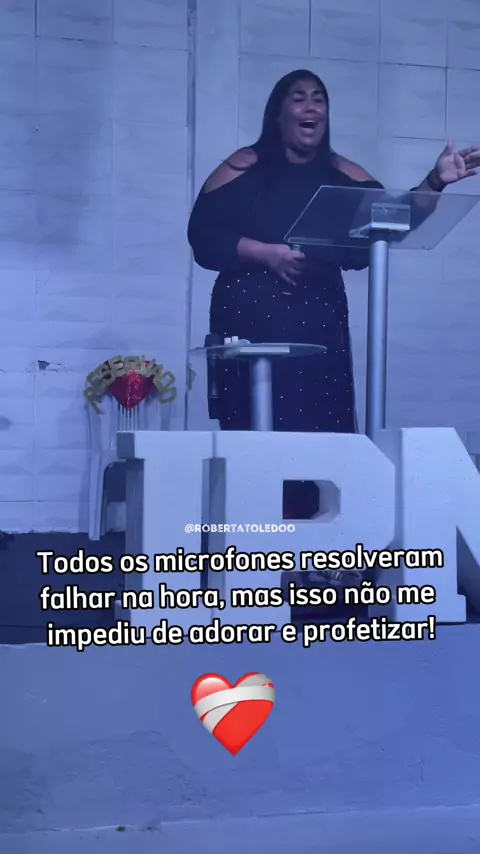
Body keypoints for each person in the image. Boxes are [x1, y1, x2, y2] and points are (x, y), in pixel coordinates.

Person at [188, 69, 479, 518]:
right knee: (255, 442)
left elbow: (395, 218)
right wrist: (266, 253)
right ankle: (254, 540)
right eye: (299, 98)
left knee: (319, 436)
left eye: (319, 99)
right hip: (251, 322)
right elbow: (203, 234)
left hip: (317, 326)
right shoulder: (244, 165)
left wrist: (435, 181)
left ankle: (318, 544)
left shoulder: (341, 173)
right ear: (278, 112)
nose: (311, 107)